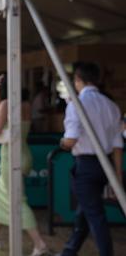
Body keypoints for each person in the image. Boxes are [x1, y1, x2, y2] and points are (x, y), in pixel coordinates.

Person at [0, 74, 51, 255]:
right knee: (1, 191)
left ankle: (39, 244)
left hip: (11, 157)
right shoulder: (24, 104)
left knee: (17, 200)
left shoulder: (6, 104)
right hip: (23, 154)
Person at [57, 62, 123, 256]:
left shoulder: (76, 104)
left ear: (78, 80)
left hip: (86, 165)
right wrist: (117, 175)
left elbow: (70, 140)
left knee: (95, 215)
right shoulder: (111, 105)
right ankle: (69, 251)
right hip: (106, 165)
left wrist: (62, 143)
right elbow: (117, 144)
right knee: (86, 211)